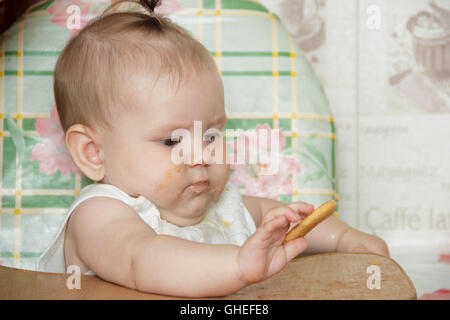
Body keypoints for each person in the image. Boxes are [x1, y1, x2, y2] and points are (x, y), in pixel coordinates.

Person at [37, 0, 389, 297]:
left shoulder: (220, 204)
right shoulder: (100, 214)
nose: (203, 155)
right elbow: (142, 260)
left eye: (211, 136)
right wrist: (238, 264)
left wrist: (347, 240)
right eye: (172, 140)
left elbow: (279, 225)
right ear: (92, 153)